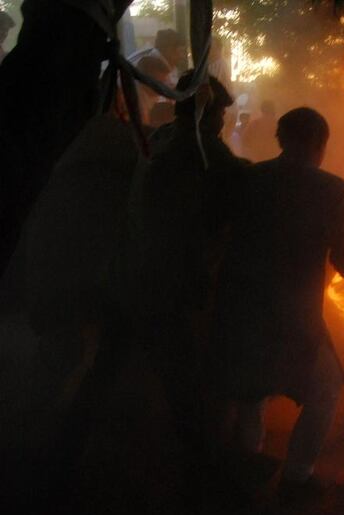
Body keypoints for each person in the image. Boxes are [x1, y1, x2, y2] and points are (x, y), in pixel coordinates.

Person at [214, 107, 344, 501]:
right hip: (293, 319)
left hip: (237, 311)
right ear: (321, 146)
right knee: (328, 385)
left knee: (252, 387)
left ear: (280, 140)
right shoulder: (333, 190)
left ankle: (246, 462)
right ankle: (297, 477)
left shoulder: (247, 179)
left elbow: (216, 234)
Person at [126, 72, 245, 442]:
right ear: (205, 114)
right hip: (178, 271)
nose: (223, 122)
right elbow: (245, 189)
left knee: (132, 358)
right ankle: (195, 456)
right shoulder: (204, 149)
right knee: (185, 367)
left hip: (141, 264)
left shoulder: (160, 139)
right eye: (219, 114)